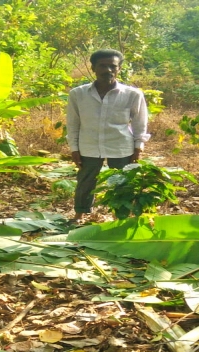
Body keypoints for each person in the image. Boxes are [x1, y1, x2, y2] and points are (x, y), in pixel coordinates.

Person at [66, 49, 150, 222]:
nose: (108, 70)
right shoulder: (78, 94)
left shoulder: (132, 94)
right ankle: (79, 215)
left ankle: (120, 217)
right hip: (88, 145)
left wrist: (138, 147)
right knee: (85, 181)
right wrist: (74, 148)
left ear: (119, 69)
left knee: (122, 183)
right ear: (93, 68)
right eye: (102, 66)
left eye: (113, 66)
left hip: (120, 145)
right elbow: (73, 123)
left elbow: (140, 123)